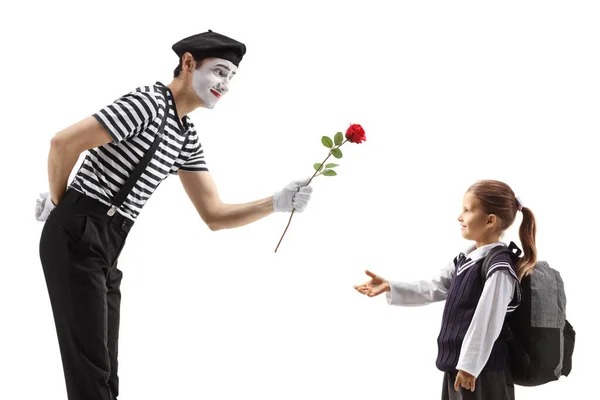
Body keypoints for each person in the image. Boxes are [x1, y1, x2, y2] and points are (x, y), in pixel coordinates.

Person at [35, 30, 313, 400]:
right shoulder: (148, 103)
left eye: (231, 76)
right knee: (89, 373)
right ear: (187, 63)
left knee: (104, 372)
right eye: (219, 71)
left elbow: (213, 214)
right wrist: (59, 203)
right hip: (78, 229)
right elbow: (63, 143)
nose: (225, 84)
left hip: (109, 242)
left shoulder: (185, 136)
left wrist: (276, 202)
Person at [354, 180, 537, 400]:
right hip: (459, 367)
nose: (459, 216)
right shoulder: (467, 258)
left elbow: (487, 320)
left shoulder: (499, 268)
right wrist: (391, 286)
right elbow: (436, 286)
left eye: (467, 210)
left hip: (482, 371)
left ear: (490, 220)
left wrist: (470, 366)